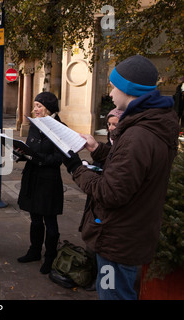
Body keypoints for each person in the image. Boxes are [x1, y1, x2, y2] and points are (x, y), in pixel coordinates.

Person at [62, 55, 179, 299]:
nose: (111, 91)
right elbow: (129, 167)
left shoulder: (137, 135)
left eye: (114, 86)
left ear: (128, 89)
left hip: (118, 241)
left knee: (113, 294)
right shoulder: (151, 125)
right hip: (131, 233)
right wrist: (97, 149)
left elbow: (110, 193)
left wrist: (76, 167)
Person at [14, 92, 64, 274]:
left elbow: (59, 158)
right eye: (34, 105)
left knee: (49, 220)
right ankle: (34, 251)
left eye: (38, 106)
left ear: (49, 108)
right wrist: (20, 154)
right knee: (35, 218)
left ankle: (50, 256)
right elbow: (30, 148)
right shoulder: (35, 125)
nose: (35, 109)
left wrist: (38, 158)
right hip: (32, 176)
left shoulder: (61, 128)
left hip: (49, 180)